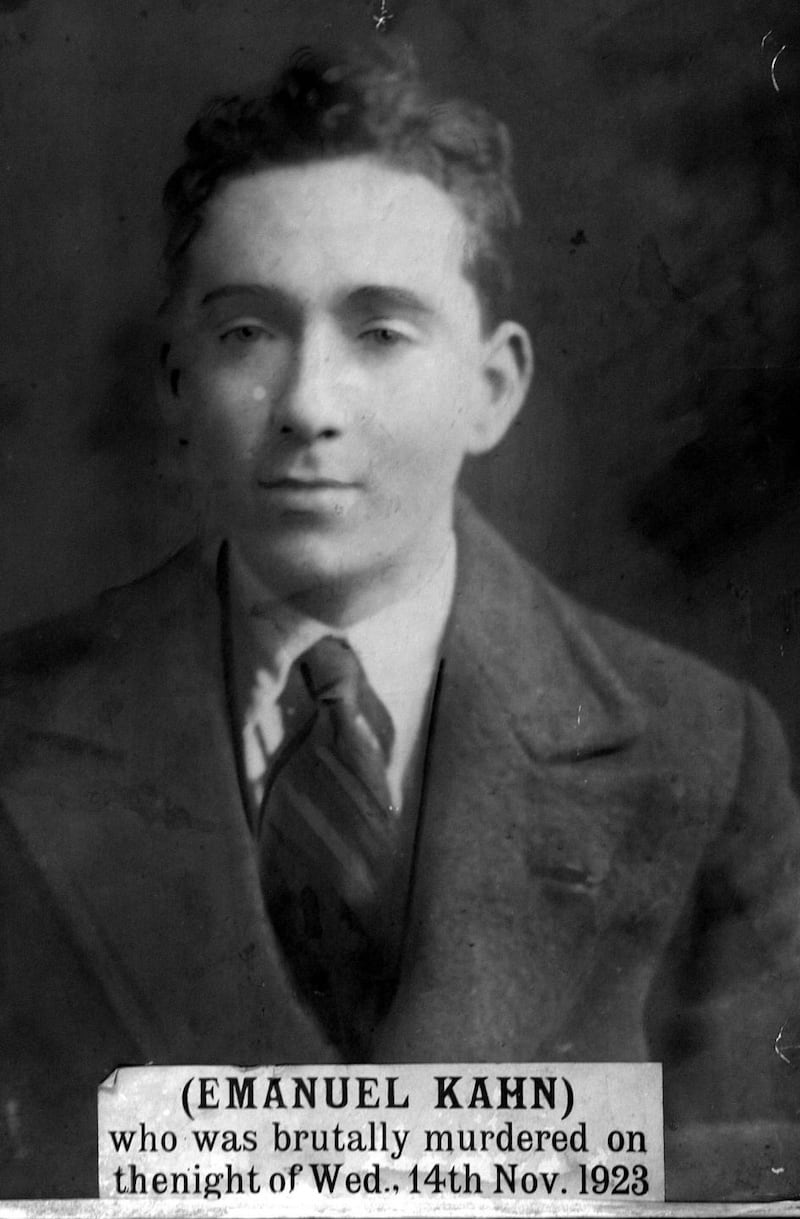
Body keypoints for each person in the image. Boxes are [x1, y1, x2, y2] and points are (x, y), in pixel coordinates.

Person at [1, 46, 799, 1202]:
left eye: (379, 332)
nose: (310, 407)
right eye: (245, 335)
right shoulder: (18, 729)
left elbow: (762, 1181)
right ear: (176, 385)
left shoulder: (702, 751)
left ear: (493, 387)